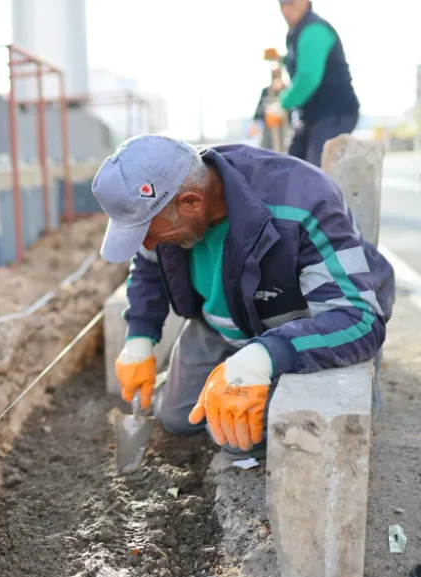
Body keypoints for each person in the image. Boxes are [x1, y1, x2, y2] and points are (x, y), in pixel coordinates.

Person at [92, 134, 394, 458]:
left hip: (293, 328)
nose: (148, 243)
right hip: (221, 324)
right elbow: (147, 263)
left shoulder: (302, 203)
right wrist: (139, 337)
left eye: (149, 232)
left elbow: (359, 318)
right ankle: (230, 367)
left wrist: (262, 358)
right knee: (176, 418)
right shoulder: (168, 198)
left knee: (234, 437)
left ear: (191, 202)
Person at [264, 0, 359, 167]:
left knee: (316, 171)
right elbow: (302, 61)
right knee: (294, 166)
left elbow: (308, 78)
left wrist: (282, 104)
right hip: (310, 116)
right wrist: (281, 59)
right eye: (282, 3)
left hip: (334, 113)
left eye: (290, 2)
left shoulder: (314, 30)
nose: (286, 9)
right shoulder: (298, 32)